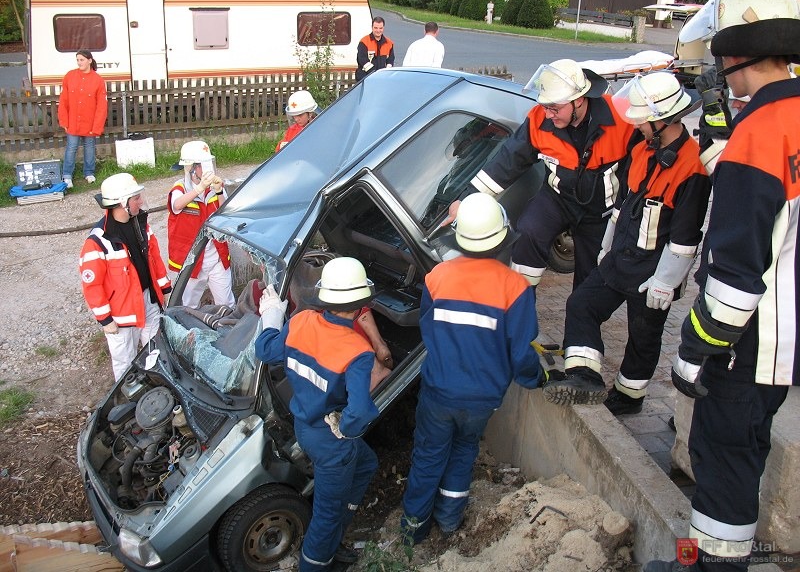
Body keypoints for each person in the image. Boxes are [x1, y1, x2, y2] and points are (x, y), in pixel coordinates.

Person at [644, 0, 800, 572]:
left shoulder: (757, 138)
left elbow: (736, 278)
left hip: (748, 348)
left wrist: (693, 352)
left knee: (722, 457)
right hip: (788, 346)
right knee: (749, 450)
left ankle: (710, 563)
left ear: (737, 55)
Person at [542, 72, 710, 409]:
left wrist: (665, 283)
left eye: (644, 122)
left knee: (643, 336)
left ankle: (630, 396)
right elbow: (623, 206)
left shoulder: (693, 168)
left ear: (663, 120)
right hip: (620, 258)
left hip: (653, 272)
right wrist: (607, 247)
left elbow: (685, 237)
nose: (639, 127)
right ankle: (583, 374)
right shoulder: (644, 150)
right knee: (581, 304)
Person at [400, 193, 542, 545]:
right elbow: (522, 352)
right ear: (501, 239)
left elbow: (428, 329)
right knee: (464, 451)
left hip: (438, 392)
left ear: (459, 237)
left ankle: (413, 529)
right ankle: (449, 521)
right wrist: (536, 378)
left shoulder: (437, 278)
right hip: (483, 399)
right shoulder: (516, 288)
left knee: (429, 455)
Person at [447, 59, 639, 292]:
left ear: (578, 100)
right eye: (545, 106)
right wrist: (468, 198)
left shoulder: (620, 118)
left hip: (601, 211)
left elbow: (642, 165)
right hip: (557, 199)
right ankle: (520, 299)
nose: (548, 114)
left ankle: (581, 315)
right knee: (529, 231)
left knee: (591, 281)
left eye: (554, 108)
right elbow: (508, 162)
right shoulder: (539, 119)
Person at [255, 257, 380, 571]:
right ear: (360, 303)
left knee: (366, 463)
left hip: (305, 427)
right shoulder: (358, 350)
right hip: (332, 441)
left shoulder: (302, 321)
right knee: (326, 512)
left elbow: (266, 350)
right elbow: (361, 411)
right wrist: (347, 429)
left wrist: (271, 314)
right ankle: (315, 562)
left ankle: (335, 533)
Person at [79, 173, 171, 381]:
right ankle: (126, 392)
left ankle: (154, 385)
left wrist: (164, 289)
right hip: (122, 314)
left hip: (148, 300)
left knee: (155, 347)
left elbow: (154, 260)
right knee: (125, 359)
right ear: (122, 203)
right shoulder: (97, 242)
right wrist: (105, 320)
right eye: (136, 198)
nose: (141, 201)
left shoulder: (141, 225)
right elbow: (92, 285)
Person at [167, 140, 234, 309]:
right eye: (203, 165)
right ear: (191, 169)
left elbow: (226, 212)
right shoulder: (179, 189)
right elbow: (176, 206)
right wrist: (198, 189)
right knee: (188, 305)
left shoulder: (214, 188)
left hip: (216, 255)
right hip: (192, 259)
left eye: (209, 163)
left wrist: (218, 191)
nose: (208, 169)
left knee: (226, 303)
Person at [58, 49, 108, 189]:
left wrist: (97, 125)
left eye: (82, 60)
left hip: (90, 121)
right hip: (73, 121)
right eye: (78, 60)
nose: (79, 62)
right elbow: (64, 100)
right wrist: (64, 120)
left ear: (89, 60)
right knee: (71, 147)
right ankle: (67, 175)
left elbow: (101, 105)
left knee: (89, 147)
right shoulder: (70, 76)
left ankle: (89, 173)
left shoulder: (98, 80)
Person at [355, 16, 394, 81]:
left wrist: (386, 73)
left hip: (382, 78)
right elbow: (362, 60)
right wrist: (375, 74)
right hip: (365, 78)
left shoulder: (389, 43)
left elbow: (390, 61)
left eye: (380, 28)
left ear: (383, 28)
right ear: (372, 27)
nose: (378, 30)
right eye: (376, 28)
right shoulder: (364, 42)